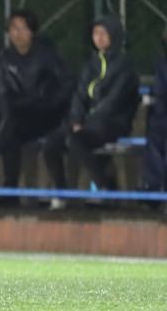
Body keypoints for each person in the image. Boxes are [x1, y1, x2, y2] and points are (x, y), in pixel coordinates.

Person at [0, 9, 74, 189]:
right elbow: (2, 92)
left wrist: (51, 103)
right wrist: (6, 115)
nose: (17, 33)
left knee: (12, 122)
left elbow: (67, 83)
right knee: (10, 127)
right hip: (20, 116)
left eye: (22, 28)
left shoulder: (47, 54)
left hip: (48, 115)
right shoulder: (6, 56)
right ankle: (9, 190)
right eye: (13, 28)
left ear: (32, 32)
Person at [43, 14, 139, 209]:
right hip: (87, 122)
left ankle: (104, 188)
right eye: (96, 33)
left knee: (75, 141)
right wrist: (76, 120)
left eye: (104, 33)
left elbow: (114, 101)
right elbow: (79, 96)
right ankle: (61, 192)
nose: (99, 38)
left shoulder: (125, 65)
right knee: (51, 142)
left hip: (113, 122)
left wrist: (86, 122)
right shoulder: (91, 64)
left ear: (114, 35)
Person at [141, 28, 167, 194]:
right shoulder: (161, 62)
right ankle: (153, 185)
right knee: (154, 138)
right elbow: (158, 90)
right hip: (161, 116)